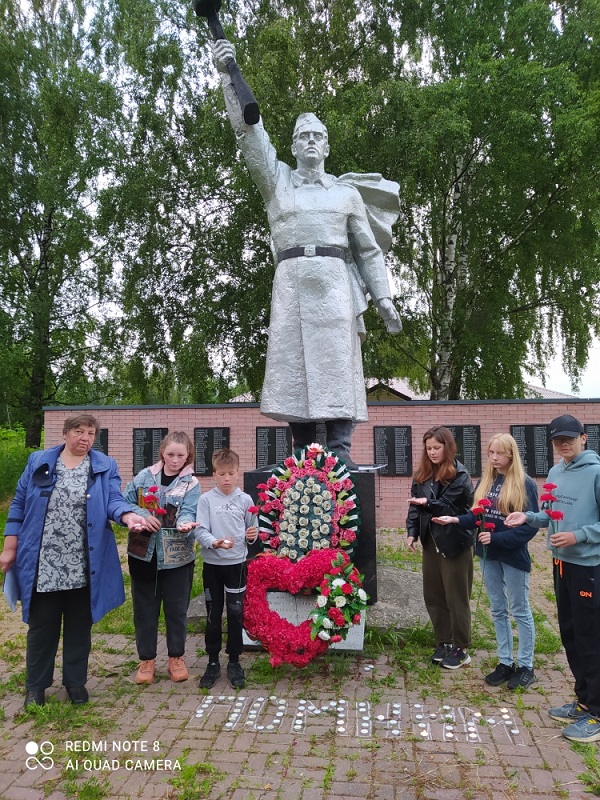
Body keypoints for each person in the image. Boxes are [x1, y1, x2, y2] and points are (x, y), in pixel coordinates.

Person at [210, 39, 403, 468]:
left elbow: (368, 250)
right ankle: (299, 456)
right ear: (293, 147)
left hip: (334, 285)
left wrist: (384, 298)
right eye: (303, 137)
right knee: (295, 372)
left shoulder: (346, 193)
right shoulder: (277, 182)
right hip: (292, 283)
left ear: (327, 147)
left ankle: (340, 456)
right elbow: (248, 133)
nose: (311, 141)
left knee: (336, 367)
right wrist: (228, 76)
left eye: (318, 136)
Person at [0, 413, 146, 708]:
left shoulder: (104, 466)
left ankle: (75, 683)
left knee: (80, 626)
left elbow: (113, 501)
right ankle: (36, 687)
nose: (85, 438)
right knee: (42, 628)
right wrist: (10, 547)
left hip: (84, 564)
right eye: (79, 431)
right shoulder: (39, 461)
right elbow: (18, 504)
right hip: (44, 562)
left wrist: (128, 515)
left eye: (91, 433)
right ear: (65, 434)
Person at [506, 414, 600, 742]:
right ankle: (585, 700)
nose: (564, 444)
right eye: (558, 440)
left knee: (591, 638)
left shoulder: (596, 473)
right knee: (571, 635)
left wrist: (579, 536)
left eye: (570, 438)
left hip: (588, 567)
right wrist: (528, 517)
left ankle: (597, 712)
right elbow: (550, 513)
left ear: (583, 438)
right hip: (561, 565)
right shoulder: (557, 472)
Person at [432, 434, 539, 688]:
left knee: (520, 610)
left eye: (499, 453)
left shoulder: (525, 484)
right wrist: (456, 520)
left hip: (512, 556)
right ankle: (505, 662)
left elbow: (530, 526)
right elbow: (477, 517)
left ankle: (526, 666)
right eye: (490, 453)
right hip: (488, 556)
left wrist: (497, 539)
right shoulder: (487, 481)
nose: (493, 458)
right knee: (498, 609)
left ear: (511, 454)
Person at [123, 431, 200, 685]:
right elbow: (125, 502)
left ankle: (176, 657)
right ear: (162, 453)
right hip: (143, 552)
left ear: (188, 454)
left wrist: (187, 523)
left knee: (176, 609)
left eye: (180, 455)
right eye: (170, 454)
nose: (175, 460)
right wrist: (141, 514)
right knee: (145, 609)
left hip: (177, 555)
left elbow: (189, 511)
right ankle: (146, 660)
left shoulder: (191, 484)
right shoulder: (144, 476)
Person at [406, 426, 474, 669]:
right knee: (434, 595)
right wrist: (412, 533)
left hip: (454, 543)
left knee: (456, 597)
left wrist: (428, 503)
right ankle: (443, 641)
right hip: (430, 542)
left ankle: (461, 647)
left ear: (448, 447)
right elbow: (414, 507)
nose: (433, 453)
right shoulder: (422, 474)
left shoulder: (460, 475)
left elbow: (447, 505)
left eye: (437, 447)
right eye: (429, 449)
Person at [195, 448, 258, 690]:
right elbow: (200, 530)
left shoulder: (245, 500)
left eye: (231, 473)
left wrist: (252, 536)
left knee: (235, 612)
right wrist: (214, 542)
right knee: (213, 614)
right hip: (213, 564)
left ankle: (234, 660)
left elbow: (252, 531)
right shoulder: (206, 500)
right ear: (214, 475)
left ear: (238, 473)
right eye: (222, 474)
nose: (227, 479)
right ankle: (212, 661)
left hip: (237, 565)